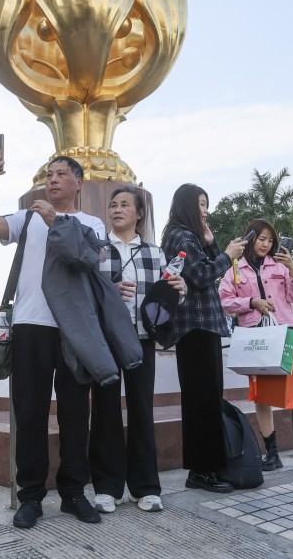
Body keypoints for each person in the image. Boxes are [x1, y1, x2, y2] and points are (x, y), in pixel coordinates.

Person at [0, 151, 105, 529]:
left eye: (61, 174)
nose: (52, 180)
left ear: (78, 183)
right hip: (30, 324)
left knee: (73, 414)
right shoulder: (29, 217)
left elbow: (86, 258)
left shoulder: (91, 222)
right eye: (48, 174)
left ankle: (72, 494)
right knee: (30, 413)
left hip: (73, 328)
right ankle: (30, 496)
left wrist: (56, 221)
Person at [91, 187, 186, 514]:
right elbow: (86, 292)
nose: (116, 209)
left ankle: (145, 487)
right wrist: (110, 291)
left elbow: (167, 294)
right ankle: (107, 486)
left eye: (124, 205)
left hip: (142, 337)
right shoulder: (98, 250)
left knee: (142, 408)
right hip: (106, 337)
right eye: (113, 204)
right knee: (105, 410)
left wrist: (180, 290)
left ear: (139, 213)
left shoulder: (155, 253)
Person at [220, 218, 293, 482]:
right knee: (261, 398)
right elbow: (224, 300)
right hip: (255, 340)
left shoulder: (280, 266)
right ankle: (272, 454)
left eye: (270, 240)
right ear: (250, 239)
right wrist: (251, 302)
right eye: (261, 239)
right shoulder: (236, 267)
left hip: (284, 336)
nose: (266, 244)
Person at [161, 183, 244, 494]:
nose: (206, 210)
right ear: (187, 206)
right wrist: (227, 254)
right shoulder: (180, 235)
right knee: (202, 401)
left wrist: (211, 243)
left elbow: (204, 269)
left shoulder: (187, 235)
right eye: (201, 204)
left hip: (202, 326)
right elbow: (201, 276)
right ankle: (202, 470)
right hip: (195, 327)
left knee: (204, 399)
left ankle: (205, 467)